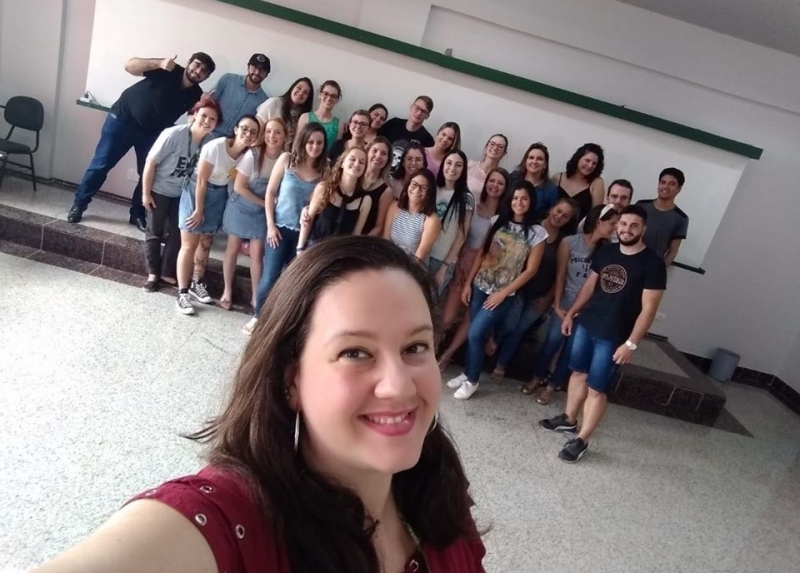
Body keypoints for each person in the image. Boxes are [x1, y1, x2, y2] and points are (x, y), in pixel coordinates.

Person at [32, 236, 486, 573]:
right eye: (355, 352)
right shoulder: (234, 521)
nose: (398, 386)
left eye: (415, 347)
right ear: (291, 379)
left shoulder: (438, 491)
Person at [539, 205, 666, 463]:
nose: (626, 229)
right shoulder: (607, 252)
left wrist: (631, 344)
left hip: (614, 335)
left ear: (643, 229)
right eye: (623, 224)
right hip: (587, 324)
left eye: (633, 226)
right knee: (577, 373)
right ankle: (569, 419)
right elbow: (589, 287)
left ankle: (582, 439)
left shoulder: (653, 264)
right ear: (617, 225)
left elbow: (649, 310)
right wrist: (571, 313)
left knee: (597, 388)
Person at [68, 52, 216, 231]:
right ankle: (79, 204)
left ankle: (137, 214)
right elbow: (129, 66)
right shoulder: (168, 69)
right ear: (189, 62)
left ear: (206, 77)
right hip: (122, 120)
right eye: (197, 65)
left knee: (148, 173)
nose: (198, 71)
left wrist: (203, 104)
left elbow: (192, 123)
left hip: (152, 134)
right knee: (101, 165)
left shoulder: (195, 95)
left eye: (204, 71)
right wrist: (159, 63)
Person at [448, 181, 548, 400]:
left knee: (475, 333)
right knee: (475, 332)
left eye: (524, 198)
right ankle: (467, 372)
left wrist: (503, 293)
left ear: (531, 201)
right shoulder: (497, 222)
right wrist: (468, 283)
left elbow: (530, 270)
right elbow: (482, 254)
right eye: (515, 198)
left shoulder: (537, 233)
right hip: (480, 285)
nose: (519, 203)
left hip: (503, 293)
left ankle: (472, 380)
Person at [521, 204, 620, 404]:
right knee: (551, 342)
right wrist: (557, 305)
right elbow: (560, 277)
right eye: (612, 223)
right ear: (599, 222)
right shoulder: (570, 242)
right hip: (565, 302)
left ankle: (552, 385)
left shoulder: (609, 251)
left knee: (571, 350)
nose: (615, 228)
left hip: (588, 309)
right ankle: (537, 377)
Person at [243, 123, 327, 333]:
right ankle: (258, 317)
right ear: (303, 141)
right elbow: (271, 193)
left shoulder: (325, 169)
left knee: (291, 281)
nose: (315, 146)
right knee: (270, 276)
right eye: (310, 141)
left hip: (304, 236)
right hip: (278, 229)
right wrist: (270, 225)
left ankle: (279, 322)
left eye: (319, 143)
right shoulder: (287, 159)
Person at [174, 114, 258, 315]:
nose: (248, 134)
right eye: (244, 128)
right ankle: (182, 293)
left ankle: (196, 283)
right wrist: (198, 209)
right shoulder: (216, 146)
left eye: (253, 132)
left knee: (206, 243)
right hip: (196, 191)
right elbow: (201, 180)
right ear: (236, 129)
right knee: (189, 245)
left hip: (218, 195)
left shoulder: (247, 155)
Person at [488, 197, 578, 380]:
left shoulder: (564, 241)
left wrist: (548, 299)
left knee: (520, 329)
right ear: (551, 208)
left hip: (540, 295)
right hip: (517, 289)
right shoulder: (531, 227)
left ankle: (501, 365)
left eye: (565, 216)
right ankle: (494, 337)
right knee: (510, 324)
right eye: (558, 211)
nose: (559, 216)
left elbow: (560, 275)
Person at [140, 97, 221, 292]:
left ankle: (166, 271)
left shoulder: (211, 142)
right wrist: (145, 193)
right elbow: (150, 163)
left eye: (212, 119)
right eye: (204, 116)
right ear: (194, 115)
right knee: (154, 231)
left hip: (185, 194)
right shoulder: (173, 134)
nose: (207, 121)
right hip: (160, 190)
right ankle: (152, 273)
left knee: (178, 234)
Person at [437, 168, 508, 370]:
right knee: (447, 318)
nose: (495, 186)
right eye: (492, 181)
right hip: (461, 261)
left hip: (484, 268)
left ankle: (447, 355)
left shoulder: (503, 216)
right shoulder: (473, 204)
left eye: (500, 183)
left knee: (470, 317)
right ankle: (433, 345)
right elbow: (461, 233)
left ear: (505, 188)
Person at [219, 118, 288, 310]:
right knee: (232, 248)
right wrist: (265, 204)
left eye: (277, 132)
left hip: (262, 213)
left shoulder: (286, 158)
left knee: (257, 254)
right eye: (268, 131)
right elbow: (239, 187)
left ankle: (256, 297)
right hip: (241, 206)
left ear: (285, 136)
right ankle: (227, 290)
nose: (272, 136)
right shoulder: (253, 154)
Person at [296, 146, 371, 249]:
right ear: (342, 163)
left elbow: (355, 234)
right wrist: (300, 248)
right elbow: (308, 220)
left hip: (340, 252)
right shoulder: (324, 188)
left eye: (362, 162)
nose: (357, 164)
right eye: (352, 159)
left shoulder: (365, 200)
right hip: (315, 247)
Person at [429, 150, 473, 294]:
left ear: (463, 170)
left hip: (441, 259)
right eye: (449, 163)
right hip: (424, 252)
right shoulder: (434, 189)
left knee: (430, 301)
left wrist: (445, 266)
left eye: (458, 165)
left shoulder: (466, 198)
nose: (452, 168)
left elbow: (462, 235)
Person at [207, 53, 270, 138]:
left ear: (266, 75)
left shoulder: (264, 101)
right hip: (209, 131)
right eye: (254, 67)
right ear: (248, 67)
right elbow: (209, 102)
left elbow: (253, 127)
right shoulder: (228, 79)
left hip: (232, 141)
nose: (257, 72)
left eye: (262, 70)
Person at [383, 169, 440, 263]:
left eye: (423, 188)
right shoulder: (394, 207)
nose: (417, 190)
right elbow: (386, 241)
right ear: (408, 185)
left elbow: (418, 259)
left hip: (411, 267)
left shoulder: (431, 220)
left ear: (430, 192)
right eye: (414, 184)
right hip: (389, 260)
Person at [637, 168, 688, 266]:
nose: (666, 186)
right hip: (626, 260)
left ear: (679, 189)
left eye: (672, 184)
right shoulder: (641, 205)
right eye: (663, 182)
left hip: (650, 267)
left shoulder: (681, 218)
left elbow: (672, 252)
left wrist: (659, 270)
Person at [256, 77, 313, 150]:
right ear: (292, 88)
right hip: (263, 150)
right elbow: (257, 128)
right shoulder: (274, 103)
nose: (301, 93)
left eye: (305, 92)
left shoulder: (303, 118)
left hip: (283, 154)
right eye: (299, 88)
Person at [552, 143, 605, 221]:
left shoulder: (597, 183)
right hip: (553, 224)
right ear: (578, 158)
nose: (590, 166)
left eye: (594, 163)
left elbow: (595, 215)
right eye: (587, 160)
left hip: (579, 228)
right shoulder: (557, 178)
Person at [510, 143, 558, 220]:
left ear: (545, 164)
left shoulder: (550, 189)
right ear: (525, 161)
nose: (534, 161)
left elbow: (548, 217)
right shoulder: (513, 178)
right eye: (531, 157)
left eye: (539, 159)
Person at [359, 137, 394, 236]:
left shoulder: (386, 191)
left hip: (363, 239)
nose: (378, 156)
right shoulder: (354, 177)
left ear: (387, 160)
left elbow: (379, 227)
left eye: (383, 153)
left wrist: (359, 242)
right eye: (374, 151)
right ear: (367, 152)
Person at [294, 80, 342, 150]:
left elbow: (336, 151)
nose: (329, 98)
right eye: (326, 94)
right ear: (320, 94)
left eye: (333, 96)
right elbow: (296, 145)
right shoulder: (305, 117)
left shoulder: (339, 124)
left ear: (337, 99)